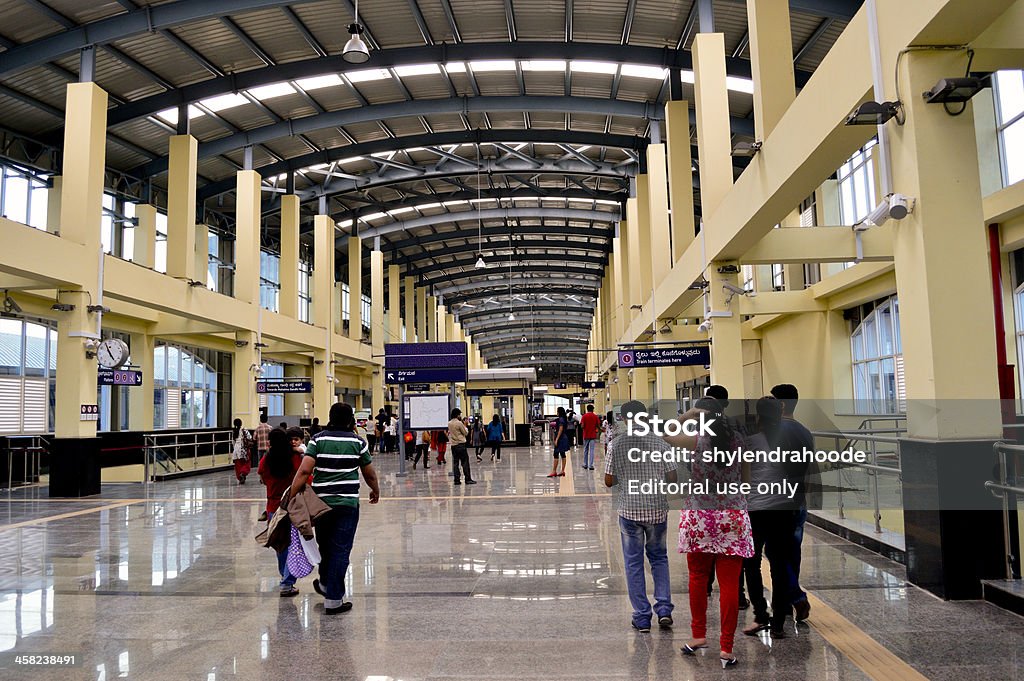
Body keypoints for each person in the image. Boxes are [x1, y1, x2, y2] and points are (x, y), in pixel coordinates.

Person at [666, 397, 753, 668]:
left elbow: (666, 434)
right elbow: (746, 482)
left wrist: (688, 414)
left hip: (700, 518)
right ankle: (726, 649)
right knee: (729, 583)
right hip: (732, 517)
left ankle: (698, 636)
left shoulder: (696, 441)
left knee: (698, 578)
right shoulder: (740, 443)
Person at [289, 403, 380, 615]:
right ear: (351, 420)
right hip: (347, 504)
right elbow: (369, 474)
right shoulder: (358, 442)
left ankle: (326, 584)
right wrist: (375, 490)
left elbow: (304, 471)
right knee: (341, 549)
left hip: (320, 505)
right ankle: (333, 599)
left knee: (326, 546)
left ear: (330, 417)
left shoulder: (318, 440)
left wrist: (292, 496)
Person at [605, 400, 677, 632]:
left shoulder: (617, 444)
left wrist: (624, 478)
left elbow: (609, 480)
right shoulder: (660, 442)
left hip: (629, 511)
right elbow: (672, 478)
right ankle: (664, 609)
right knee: (659, 558)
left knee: (633, 562)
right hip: (656, 509)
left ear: (625, 419)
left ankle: (642, 616)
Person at [770, 383, 816, 625]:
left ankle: (795, 597)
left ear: (782, 404)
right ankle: (786, 602)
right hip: (798, 500)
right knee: (792, 552)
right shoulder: (805, 431)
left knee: (775, 553)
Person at [260, 428, 303, 597]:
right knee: (294, 545)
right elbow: (304, 477)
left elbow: (263, 478)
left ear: (270, 442)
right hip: (293, 506)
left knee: (280, 544)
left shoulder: (266, 459)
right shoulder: (294, 458)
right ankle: (287, 581)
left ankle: (285, 577)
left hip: (273, 508)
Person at [448, 408, 475, 485]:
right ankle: (468, 479)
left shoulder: (449, 423)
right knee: (465, 462)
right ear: (457, 415)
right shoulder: (459, 423)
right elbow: (465, 433)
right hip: (461, 445)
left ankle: (457, 480)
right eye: (459, 414)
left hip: (453, 445)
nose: (460, 415)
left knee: (456, 463)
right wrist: (465, 426)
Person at [547, 407, 569, 478]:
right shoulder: (563, 418)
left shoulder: (561, 419)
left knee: (556, 453)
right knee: (562, 453)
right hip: (563, 437)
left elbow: (560, 429)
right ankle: (562, 471)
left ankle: (554, 471)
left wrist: (556, 439)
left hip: (561, 438)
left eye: (557, 411)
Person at [231, 418, 253, 485]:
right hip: (243, 449)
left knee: (238, 465)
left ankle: (239, 477)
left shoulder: (234, 431)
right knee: (246, 463)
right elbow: (250, 437)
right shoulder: (244, 430)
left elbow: (233, 442)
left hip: (236, 450)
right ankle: (243, 473)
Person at [580, 404, 601, 471]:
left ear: (587, 409)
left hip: (586, 435)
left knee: (586, 450)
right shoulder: (595, 416)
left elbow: (582, 426)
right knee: (592, 450)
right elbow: (598, 425)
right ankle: (591, 465)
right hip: (593, 435)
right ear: (593, 409)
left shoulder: (584, 416)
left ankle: (585, 464)